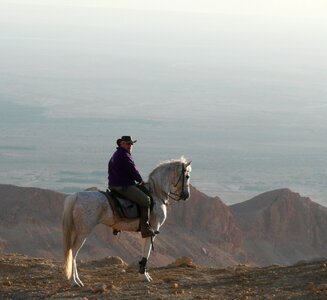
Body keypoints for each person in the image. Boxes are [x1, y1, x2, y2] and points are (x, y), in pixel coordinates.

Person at [108, 136, 155, 238]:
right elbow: (132, 170)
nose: (130, 146)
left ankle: (118, 225)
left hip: (113, 185)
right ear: (122, 144)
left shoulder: (116, 154)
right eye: (128, 144)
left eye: (131, 144)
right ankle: (145, 228)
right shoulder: (124, 155)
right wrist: (140, 180)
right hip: (123, 185)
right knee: (146, 200)